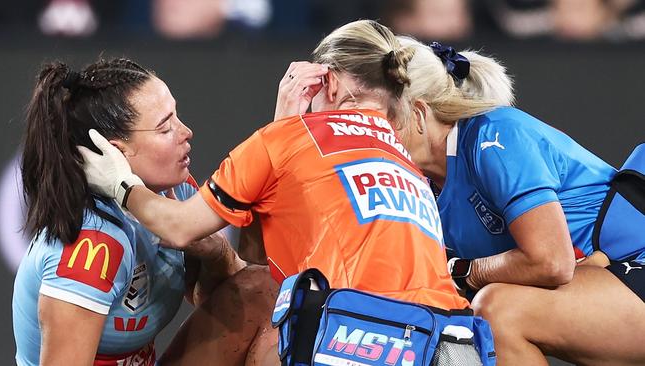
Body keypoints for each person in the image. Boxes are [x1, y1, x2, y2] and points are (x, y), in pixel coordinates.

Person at [79, 20, 492, 365]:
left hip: (362, 343)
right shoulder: (407, 158)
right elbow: (267, 267)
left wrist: (121, 183)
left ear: (326, 81)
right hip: (446, 344)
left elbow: (178, 227)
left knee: (270, 306)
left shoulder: (290, 140)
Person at [391, 36, 645, 365]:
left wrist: (467, 271)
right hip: (599, 273)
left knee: (499, 310)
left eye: (380, 115)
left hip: (632, 266)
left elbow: (551, 263)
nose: (364, 129)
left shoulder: (495, 134)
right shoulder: (418, 184)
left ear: (418, 114)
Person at [11, 58, 276, 366]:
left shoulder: (173, 195)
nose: (187, 132)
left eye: (177, 117)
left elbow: (229, 299)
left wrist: (215, 253)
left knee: (267, 293)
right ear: (116, 151)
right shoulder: (93, 246)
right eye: (165, 128)